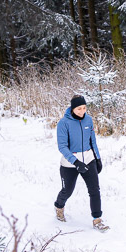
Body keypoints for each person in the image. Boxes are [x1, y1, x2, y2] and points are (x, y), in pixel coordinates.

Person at [54, 95, 109, 231]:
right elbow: (62, 146)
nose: (82, 111)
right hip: (69, 163)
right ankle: (59, 206)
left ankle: (97, 220)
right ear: (73, 109)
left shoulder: (88, 120)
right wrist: (76, 162)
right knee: (68, 190)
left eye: (84, 108)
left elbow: (92, 141)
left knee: (94, 189)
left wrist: (97, 158)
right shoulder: (63, 123)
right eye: (79, 108)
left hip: (89, 159)